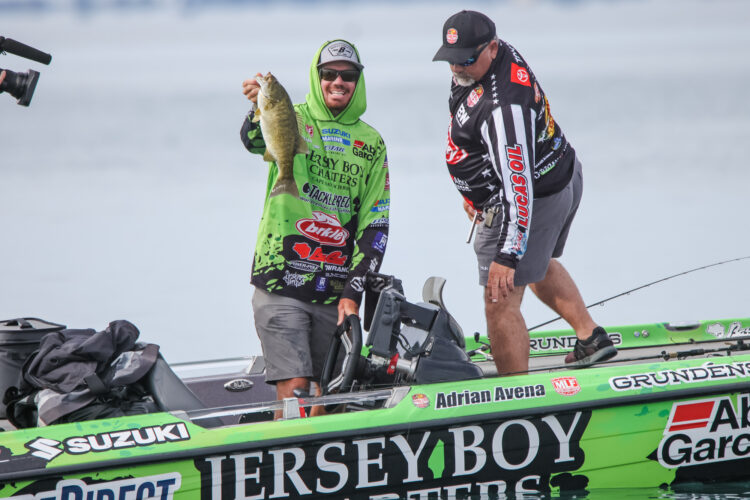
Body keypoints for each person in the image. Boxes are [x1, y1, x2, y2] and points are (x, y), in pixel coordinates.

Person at [432, 10, 617, 375]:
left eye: (467, 59)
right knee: (537, 262)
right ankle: (590, 337)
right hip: (558, 172)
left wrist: (508, 253)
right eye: (452, 59)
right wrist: (473, 192)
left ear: (493, 47)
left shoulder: (504, 109)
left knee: (499, 297)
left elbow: (520, 190)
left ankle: (515, 395)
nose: (458, 68)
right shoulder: (491, 60)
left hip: (534, 197)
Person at [240, 39, 390, 417]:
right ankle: (286, 466)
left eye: (348, 75)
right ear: (316, 76)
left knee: (327, 398)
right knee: (296, 394)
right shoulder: (291, 114)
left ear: (358, 81)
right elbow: (252, 139)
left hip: (336, 289)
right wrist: (256, 107)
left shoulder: (372, 144)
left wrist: (353, 291)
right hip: (280, 279)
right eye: (329, 74)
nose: (337, 81)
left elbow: (376, 225)